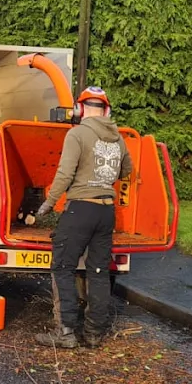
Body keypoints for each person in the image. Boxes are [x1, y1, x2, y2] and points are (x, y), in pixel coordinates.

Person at [36, 86, 133, 349]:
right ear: (106, 110)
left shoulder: (76, 134)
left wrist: (48, 203)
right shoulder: (119, 139)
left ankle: (66, 333)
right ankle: (93, 334)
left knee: (62, 267)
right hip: (106, 211)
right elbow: (127, 170)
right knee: (99, 272)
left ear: (79, 109)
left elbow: (65, 174)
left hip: (80, 208)